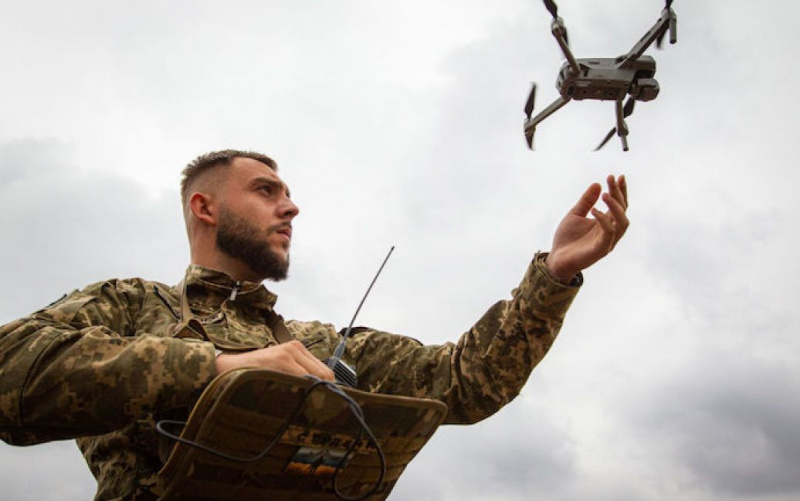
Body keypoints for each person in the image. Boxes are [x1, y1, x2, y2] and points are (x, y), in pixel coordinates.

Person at [0, 149, 629, 500]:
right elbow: (9, 369)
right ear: (205, 207)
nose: (292, 206)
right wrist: (217, 368)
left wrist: (553, 278)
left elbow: (465, 382)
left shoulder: (322, 345)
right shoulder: (133, 306)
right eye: (266, 190)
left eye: (287, 194)